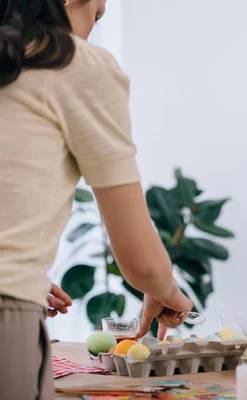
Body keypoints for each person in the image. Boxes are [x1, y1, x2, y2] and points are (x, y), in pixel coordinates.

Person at [0, 1, 193, 398]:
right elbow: (140, 260)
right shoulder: (73, 63)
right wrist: (165, 291)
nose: (93, 29)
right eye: (98, 14)